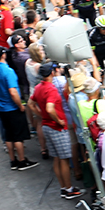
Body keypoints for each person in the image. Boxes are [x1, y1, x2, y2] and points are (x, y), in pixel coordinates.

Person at [31, 63, 83, 200]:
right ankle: (69, 189)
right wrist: (58, 120)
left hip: (47, 126)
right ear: (52, 73)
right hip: (57, 128)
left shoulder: (38, 87)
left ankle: (63, 187)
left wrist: (42, 116)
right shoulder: (51, 89)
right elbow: (50, 108)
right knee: (64, 159)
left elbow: (31, 104)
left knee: (57, 158)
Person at [0, 46, 37, 171]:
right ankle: (22, 160)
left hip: (1, 108)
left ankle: (13, 160)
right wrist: (20, 105)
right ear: (3, 55)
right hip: (12, 107)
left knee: (8, 136)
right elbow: (13, 92)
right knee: (18, 136)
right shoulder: (8, 71)